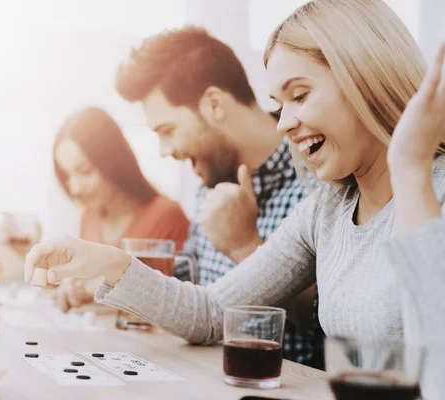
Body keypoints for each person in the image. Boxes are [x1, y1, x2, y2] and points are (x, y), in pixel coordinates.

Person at [25, 1, 445, 398]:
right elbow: (211, 312)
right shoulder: (327, 208)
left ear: (364, 78)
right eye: (279, 105)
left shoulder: (431, 189)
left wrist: (409, 166)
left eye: (299, 96)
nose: (283, 124)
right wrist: (106, 261)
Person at [54, 27, 322, 368]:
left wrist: (243, 245)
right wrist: (99, 283)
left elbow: (326, 328)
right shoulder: (209, 185)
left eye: (167, 131)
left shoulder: (316, 181)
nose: (166, 151)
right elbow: (187, 294)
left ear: (214, 104)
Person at [50, 106, 189, 311]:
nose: (75, 187)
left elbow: (174, 302)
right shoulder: (89, 218)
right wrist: (72, 286)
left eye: (85, 171)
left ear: (112, 162)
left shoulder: (165, 215)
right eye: (67, 175)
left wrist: (92, 289)